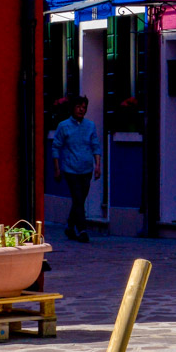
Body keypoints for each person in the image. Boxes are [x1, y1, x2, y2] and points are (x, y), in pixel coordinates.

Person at [51, 96, 101, 243]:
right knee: (78, 198)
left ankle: (70, 226)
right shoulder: (64, 126)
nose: (81, 109)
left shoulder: (90, 126)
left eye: (84, 107)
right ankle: (82, 230)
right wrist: (57, 168)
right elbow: (56, 147)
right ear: (73, 108)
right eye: (79, 106)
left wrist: (97, 165)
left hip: (86, 168)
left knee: (80, 200)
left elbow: (95, 146)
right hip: (70, 168)